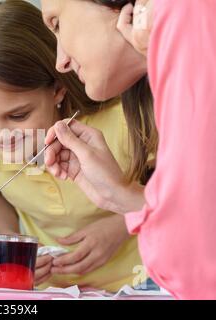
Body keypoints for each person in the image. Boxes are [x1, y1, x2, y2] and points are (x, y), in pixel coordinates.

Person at [0, 0, 156, 291]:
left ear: (57, 89)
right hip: (55, 290)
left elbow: (181, 191)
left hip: (145, 281)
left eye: (18, 115)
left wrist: (123, 224)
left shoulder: (126, 121)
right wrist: (11, 239)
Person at [42, 0, 216, 299]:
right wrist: (121, 196)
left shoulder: (184, 10)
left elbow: (195, 266)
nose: (61, 62)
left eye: (57, 23)